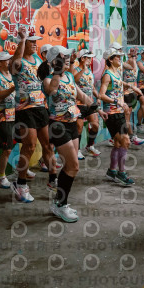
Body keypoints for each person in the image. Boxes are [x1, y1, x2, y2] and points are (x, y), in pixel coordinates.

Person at [41, 45, 93, 222]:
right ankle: (60, 204)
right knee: (73, 166)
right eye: (64, 57)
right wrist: (57, 71)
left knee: (70, 166)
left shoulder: (70, 76)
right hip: (58, 126)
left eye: (68, 56)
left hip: (71, 124)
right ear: (54, 61)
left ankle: (60, 202)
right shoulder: (48, 79)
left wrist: (96, 108)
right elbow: (51, 91)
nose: (68, 58)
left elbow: (81, 95)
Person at [10, 26, 50, 203]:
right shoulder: (18, 62)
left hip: (41, 107)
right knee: (30, 146)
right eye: (31, 42)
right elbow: (15, 64)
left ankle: (54, 180)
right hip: (25, 109)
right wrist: (22, 39)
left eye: (36, 42)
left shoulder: (38, 60)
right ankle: (20, 184)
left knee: (48, 145)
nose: (34, 44)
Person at [98, 47, 136, 186]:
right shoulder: (107, 75)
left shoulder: (117, 72)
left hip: (119, 112)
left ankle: (112, 171)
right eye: (117, 57)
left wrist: (131, 88)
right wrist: (116, 102)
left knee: (118, 143)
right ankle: (121, 173)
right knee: (126, 142)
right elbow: (101, 95)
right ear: (110, 59)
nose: (120, 59)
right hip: (112, 113)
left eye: (120, 56)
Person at [0, 51, 17, 189]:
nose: (9, 61)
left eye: (10, 59)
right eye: (6, 60)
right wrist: (13, 88)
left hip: (16, 114)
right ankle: (1, 176)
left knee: (24, 142)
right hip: (3, 115)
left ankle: (23, 169)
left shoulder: (13, 75)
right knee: (7, 148)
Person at [73, 49, 101, 158]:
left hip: (90, 103)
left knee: (95, 125)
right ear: (82, 58)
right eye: (88, 58)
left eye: (90, 58)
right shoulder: (75, 70)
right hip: (78, 104)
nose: (90, 60)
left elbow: (91, 87)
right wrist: (83, 70)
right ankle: (77, 150)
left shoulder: (89, 71)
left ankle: (89, 146)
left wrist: (98, 97)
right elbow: (74, 81)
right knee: (79, 127)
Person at [122, 47, 144, 146]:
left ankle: (127, 136)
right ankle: (131, 137)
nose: (135, 57)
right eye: (133, 55)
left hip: (132, 93)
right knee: (126, 116)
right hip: (125, 94)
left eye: (136, 55)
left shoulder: (134, 63)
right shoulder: (124, 65)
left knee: (126, 116)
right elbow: (131, 66)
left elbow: (134, 77)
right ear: (128, 55)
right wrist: (131, 57)